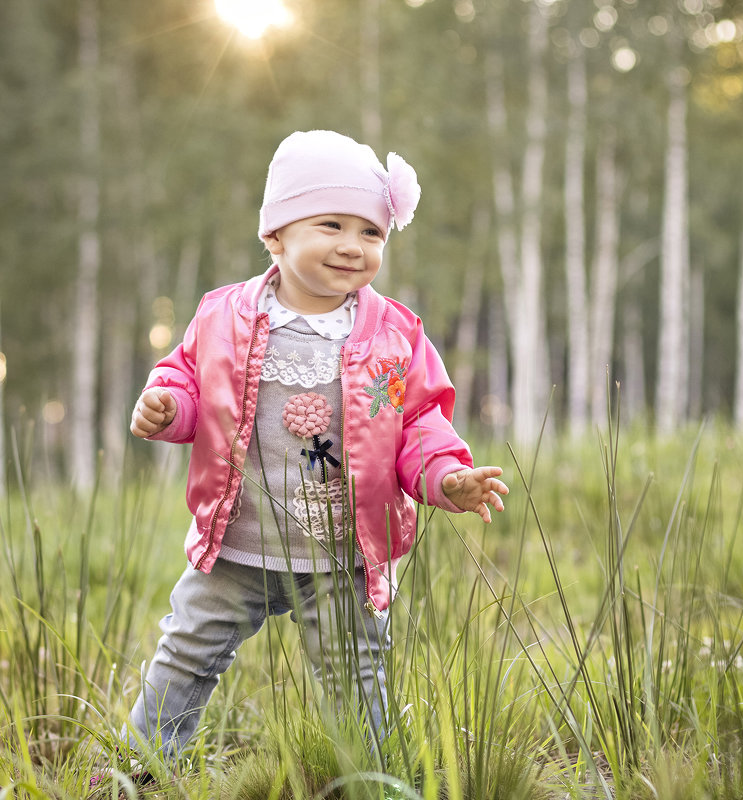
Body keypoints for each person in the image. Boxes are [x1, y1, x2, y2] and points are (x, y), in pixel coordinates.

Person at [123, 129, 509, 771]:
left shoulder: (395, 335)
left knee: (357, 676)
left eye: (371, 233)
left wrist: (446, 477)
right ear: (275, 234)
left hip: (339, 558)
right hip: (236, 546)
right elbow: (189, 381)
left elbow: (418, 424)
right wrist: (168, 409)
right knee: (185, 652)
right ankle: (138, 767)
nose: (352, 246)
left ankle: (369, 779)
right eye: (331, 224)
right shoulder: (224, 316)